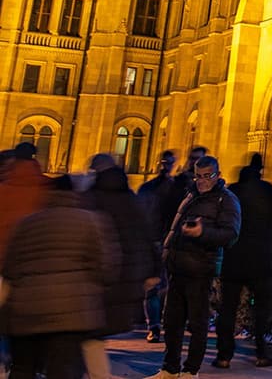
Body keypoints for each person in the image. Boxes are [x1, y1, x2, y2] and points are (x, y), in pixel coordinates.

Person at [3, 175, 112, 379]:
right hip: (71, 312)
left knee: (22, 368)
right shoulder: (91, 221)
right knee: (63, 369)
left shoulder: (27, 222)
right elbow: (104, 267)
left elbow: (10, 268)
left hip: (27, 309)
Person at [150, 154, 242, 379]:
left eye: (207, 176)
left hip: (201, 270)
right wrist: (166, 252)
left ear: (218, 175)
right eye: (198, 176)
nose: (201, 181)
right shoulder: (190, 195)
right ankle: (169, 369)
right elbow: (175, 227)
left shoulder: (226, 200)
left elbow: (230, 235)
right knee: (172, 323)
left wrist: (203, 233)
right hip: (178, 268)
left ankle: (191, 371)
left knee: (197, 324)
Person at [85, 154, 160, 378]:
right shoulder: (130, 198)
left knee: (88, 335)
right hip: (127, 276)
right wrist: (155, 270)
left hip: (98, 277)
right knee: (93, 336)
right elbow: (146, 233)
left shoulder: (91, 198)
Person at [216, 155, 272, 367]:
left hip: (233, 257)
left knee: (228, 307)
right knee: (262, 309)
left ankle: (224, 355)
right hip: (259, 258)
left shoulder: (233, 191)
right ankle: (261, 352)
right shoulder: (264, 189)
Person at [137, 150, 182, 343]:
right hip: (160, 242)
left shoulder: (149, 189)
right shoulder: (171, 189)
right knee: (159, 286)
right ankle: (156, 325)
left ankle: (155, 326)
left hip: (160, 242)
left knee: (156, 286)